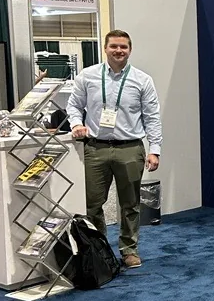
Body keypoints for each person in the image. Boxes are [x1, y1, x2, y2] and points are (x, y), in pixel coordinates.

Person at [66, 29, 161, 270]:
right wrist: (76, 124)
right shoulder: (87, 76)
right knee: (92, 204)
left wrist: (154, 149)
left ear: (130, 50)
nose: (119, 51)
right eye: (114, 46)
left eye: (123, 47)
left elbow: (152, 117)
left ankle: (129, 249)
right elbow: (74, 105)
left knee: (130, 204)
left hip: (130, 148)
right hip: (95, 149)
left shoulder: (142, 80)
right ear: (105, 49)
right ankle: (99, 251)